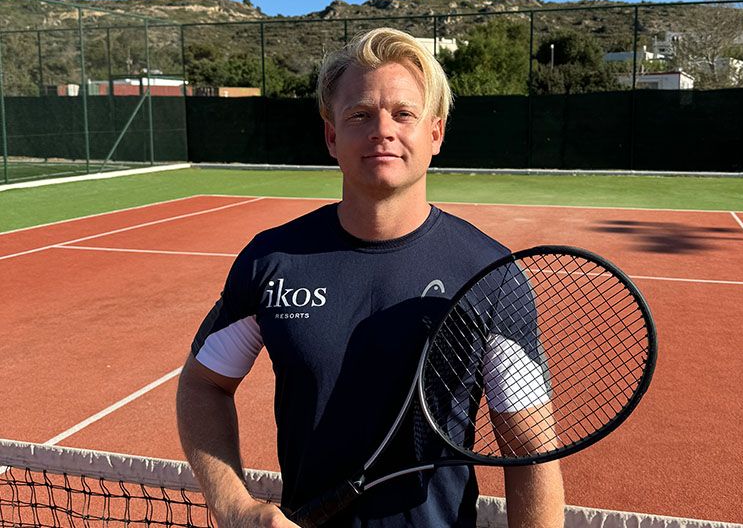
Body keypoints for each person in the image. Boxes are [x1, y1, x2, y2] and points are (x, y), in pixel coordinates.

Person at [176, 27, 565, 528]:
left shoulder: (489, 276)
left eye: (404, 114)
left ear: (435, 134)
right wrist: (234, 506)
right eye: (360, 115)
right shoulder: (272, 261)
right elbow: (203, 385)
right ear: (332, 136)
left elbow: (529, 450)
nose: (382, 129)